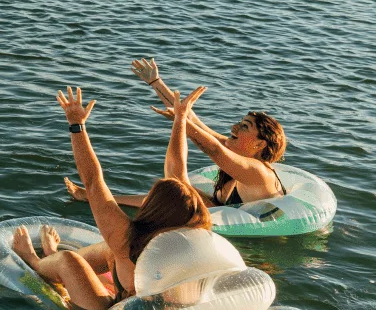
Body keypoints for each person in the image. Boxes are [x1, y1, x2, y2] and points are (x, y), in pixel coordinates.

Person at [14, 85, 213, 310]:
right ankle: (52, 254)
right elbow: (177, 170)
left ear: (154, 209)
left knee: (70, 260)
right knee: (110, 250)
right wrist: (180, 118)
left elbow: (93, 181)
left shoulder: (128, 241)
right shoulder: (197, 239)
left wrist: (77, 125)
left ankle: (35, 261)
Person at [63, 58, 287, 208]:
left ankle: (96, 199)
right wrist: (155, 82)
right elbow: (193, 120)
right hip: (222, 215)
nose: (235, 128)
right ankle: (95, 198)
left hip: (248, 238)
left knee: (176, 185)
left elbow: (212, 149)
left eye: (245, 126)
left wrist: (180, 120)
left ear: (260, 144)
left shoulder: (258, 172)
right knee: (170, 192)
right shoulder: (237, 154)